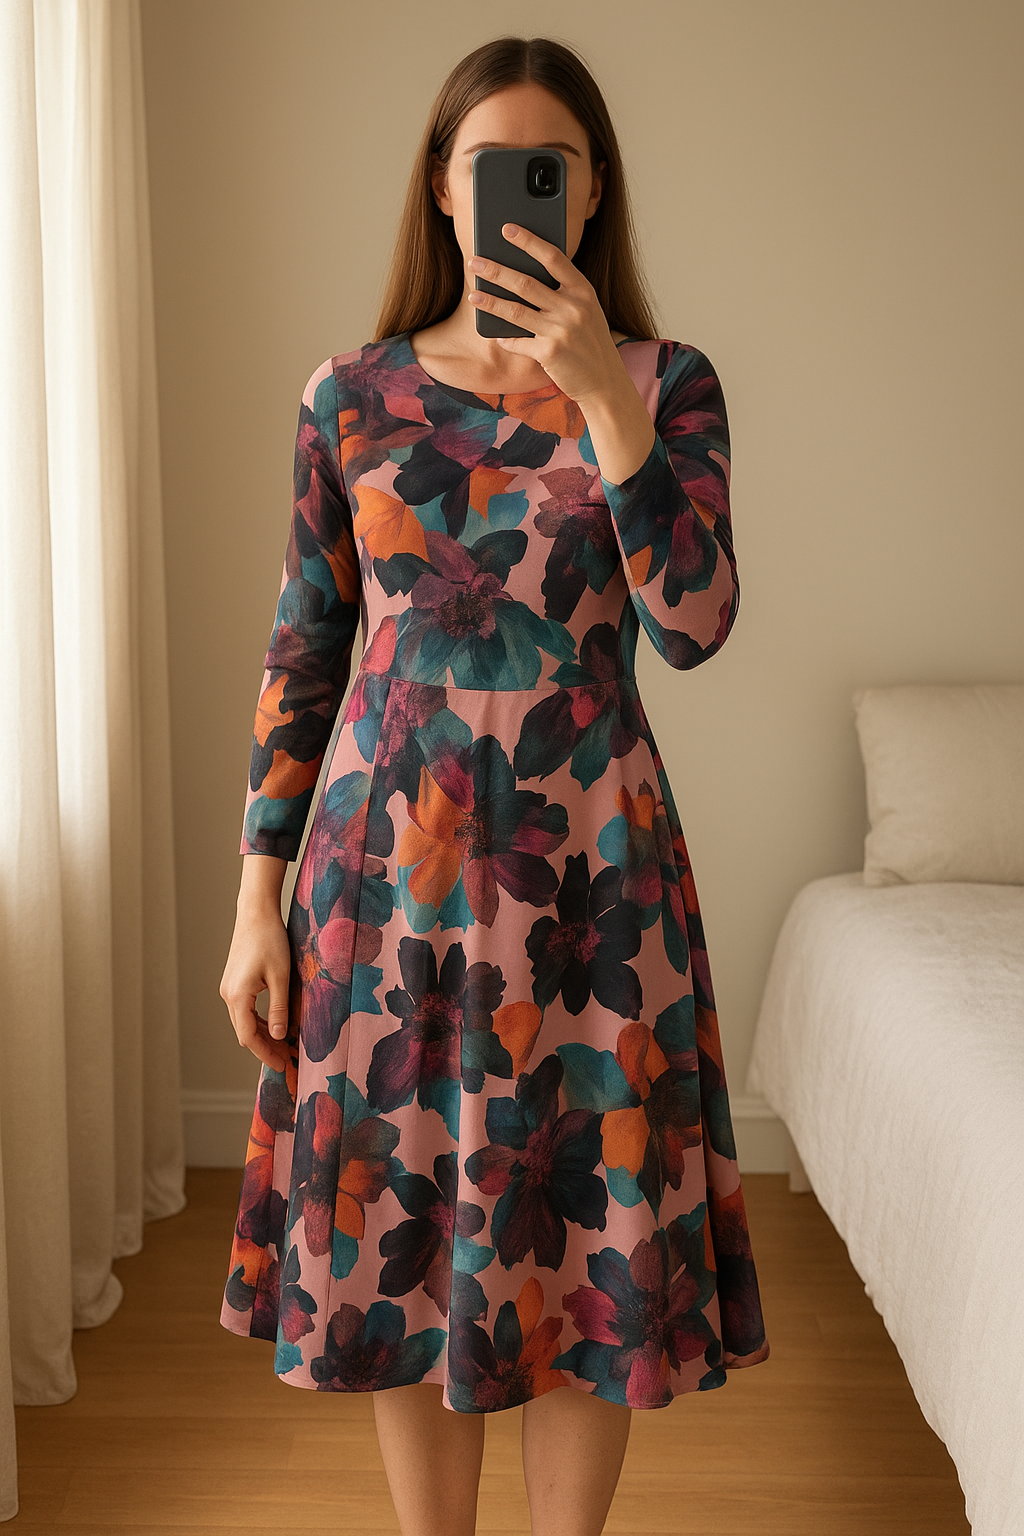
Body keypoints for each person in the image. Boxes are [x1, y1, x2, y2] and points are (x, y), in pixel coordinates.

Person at [218, 33, 770, 1536]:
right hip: (383, 888)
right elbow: (303, 650)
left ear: (588, 195)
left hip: (594, 891)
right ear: (446, 193)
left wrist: (607, 406)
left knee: (589, 1230)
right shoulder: (349, 395)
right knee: (402, 1232)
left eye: (553, 167)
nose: (523, 192)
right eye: (492, 166)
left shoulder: (668, 384)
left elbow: (694, 623)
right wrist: (257, 902)